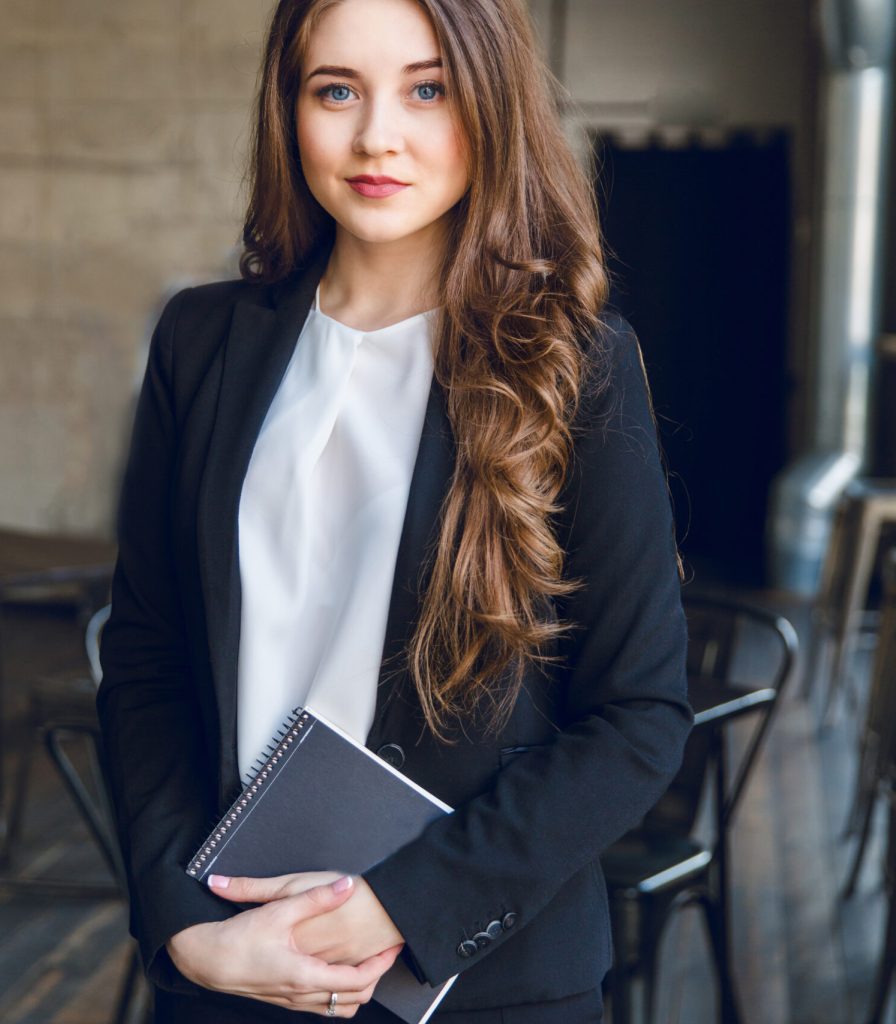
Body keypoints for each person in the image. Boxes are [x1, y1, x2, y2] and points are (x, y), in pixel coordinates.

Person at [96, 0, 694, 1021]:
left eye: (428, 89)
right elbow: (146, 658)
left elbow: (637, 718)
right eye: (336, 90)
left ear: (490, 106)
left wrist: (396, 907)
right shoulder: (198, 344)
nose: (378, 134)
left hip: (476, 979)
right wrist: (184, 928)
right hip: (232, 964)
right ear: (288, 111)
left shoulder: (576, 365)